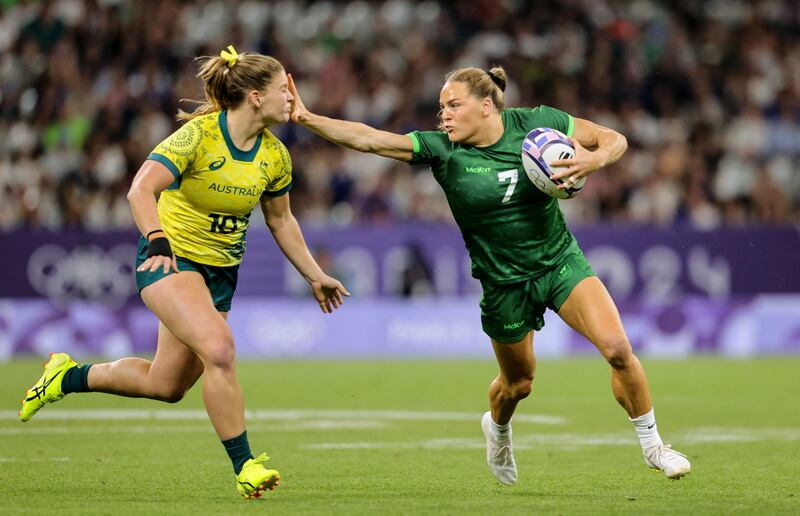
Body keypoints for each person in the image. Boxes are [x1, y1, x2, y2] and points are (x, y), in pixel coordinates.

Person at [287, 66, 690, 484]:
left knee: (618, 349)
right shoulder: (442, 151)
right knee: (518, 385)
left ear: (485, 106)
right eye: (441, 107)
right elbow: (370, 139)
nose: (443, 115)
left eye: (453, 105)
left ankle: (654, 446)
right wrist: (308, 118)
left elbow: (614, 139)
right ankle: (497, 430)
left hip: (558, 262)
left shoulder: (537, 122)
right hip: (503, 285)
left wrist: (594, 158)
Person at [19, 45, 350, 499]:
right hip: (170, 262)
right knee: (220, 349)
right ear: (255, 97)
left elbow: (280, 220)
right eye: (283, 91)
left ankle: (67, 376)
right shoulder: (198, 137)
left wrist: (314, 274)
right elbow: (140, 189)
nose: (292, 99)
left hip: (219, 276)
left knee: (166, 385)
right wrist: (157, 238)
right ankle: (246, 465)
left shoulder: (275, 156)